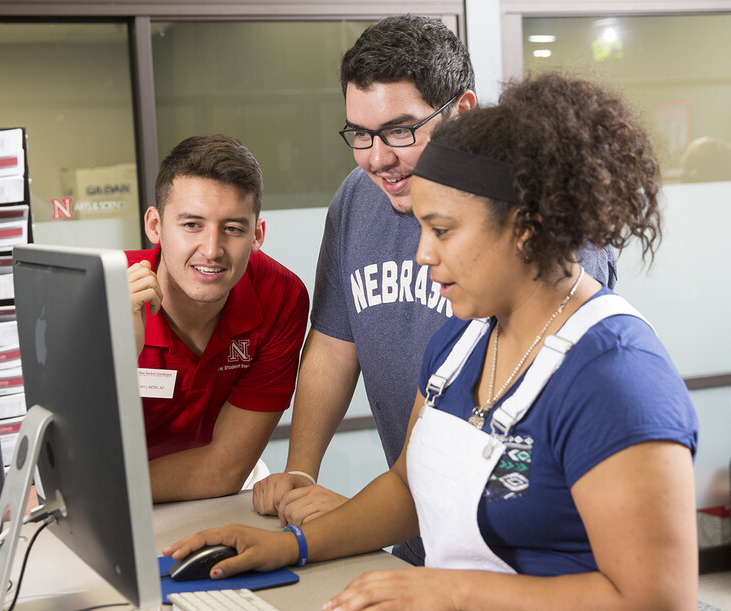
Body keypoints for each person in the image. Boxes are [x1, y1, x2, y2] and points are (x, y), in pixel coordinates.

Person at [166, 73, 699, 609]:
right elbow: (406, 488)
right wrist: (292, 546)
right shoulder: (461, 342)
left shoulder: (617, 375)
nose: (422, 254)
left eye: (441, 230)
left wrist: (450, 591)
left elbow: (657, 598)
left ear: (528, 226)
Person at [252, 14, 617, 566]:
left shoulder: (548, 238)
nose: (377, 158)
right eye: (361, 134)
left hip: (526, 555)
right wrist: (301, 501)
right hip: (432, 532)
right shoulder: (448, 349)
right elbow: (337, 351)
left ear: (461, 112)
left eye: (401, 131)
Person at [125, 133, 309, 502]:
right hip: (116, 493)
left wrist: (101, 491)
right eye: (192, 224)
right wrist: (117, 353)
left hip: (214, 491)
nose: (211, 250)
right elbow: (74, 453)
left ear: (257, 234)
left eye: (233, 228)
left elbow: (225, 468)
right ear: (155, 226)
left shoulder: (281, 296)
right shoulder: (102, 294)